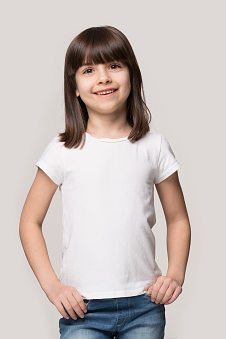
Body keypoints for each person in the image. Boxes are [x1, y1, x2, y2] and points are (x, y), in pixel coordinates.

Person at [19, 26, 191, 339]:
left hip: (144, 305)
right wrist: (52, 286)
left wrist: (175, 275)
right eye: (89, 69)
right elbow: (29, 221)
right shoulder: (62, 150)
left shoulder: (155, 147)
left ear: (132, 75)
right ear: (74, 86)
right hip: (82, 309)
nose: (103, 77)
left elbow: (178, 219)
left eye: (114, 65)